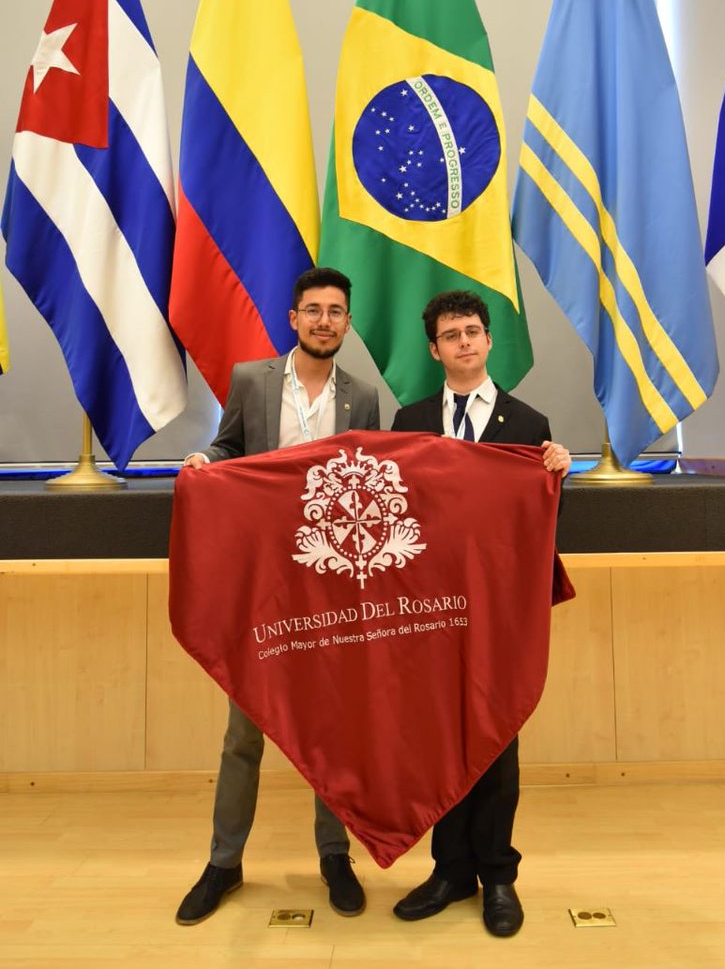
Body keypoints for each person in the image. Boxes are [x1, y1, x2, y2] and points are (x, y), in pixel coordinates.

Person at [175, 267, 380, 926]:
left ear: (348, 323)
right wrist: (207, 460)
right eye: (313, 310)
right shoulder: (251, 381)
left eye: (337, 311)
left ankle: (334, 857)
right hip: (264, 586)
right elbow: (229, 446)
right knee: (244, 732)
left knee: (334, 730)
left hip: (333, 589)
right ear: (293, 319)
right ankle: (223, 863)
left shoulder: (363, 397)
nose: (325, 320)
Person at [390, 289, 570, 939]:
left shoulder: (530, 426)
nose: (465, 342)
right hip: (431, 612)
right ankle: (449, 870)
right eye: (452, 334)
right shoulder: (407, 424)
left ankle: (498, 875)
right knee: (442, 742)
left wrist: (555, 474)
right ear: (434, 349)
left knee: (496, 739)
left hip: (499, 613)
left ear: (489, 341)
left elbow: (538, 525)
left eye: (474, 331)